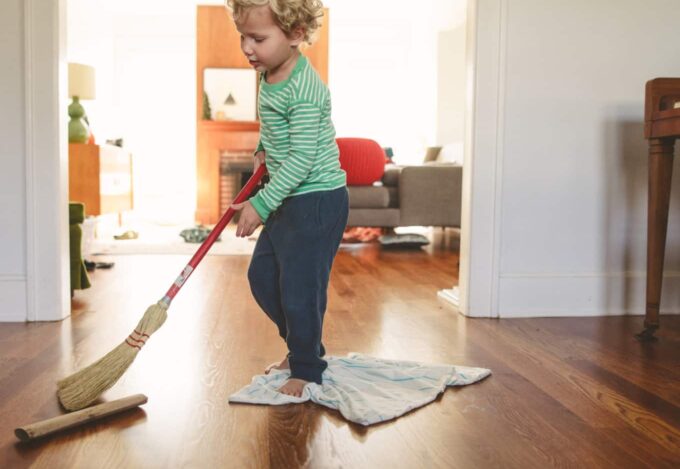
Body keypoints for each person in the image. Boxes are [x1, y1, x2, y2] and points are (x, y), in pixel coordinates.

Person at [227, 0, 348, 397]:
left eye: (258, 38)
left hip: (315, 201)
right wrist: (265, 144)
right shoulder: (267, 74)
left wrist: (259, 205)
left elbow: (302, 158)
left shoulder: (306, 89)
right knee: (262, 278)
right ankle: (302, 348)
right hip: (289, 196)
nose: (247, 47)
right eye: (243, 36)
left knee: (301, 288)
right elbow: (278, 128)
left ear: (295, 35)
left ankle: (307, 368)